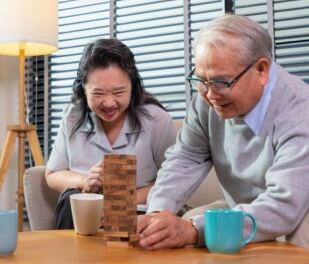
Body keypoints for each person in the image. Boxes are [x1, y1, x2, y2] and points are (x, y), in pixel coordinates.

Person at [137, 14, 309, 250]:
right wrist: (157, 214)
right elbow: (185, 159)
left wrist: (193, 230)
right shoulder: (208, 97)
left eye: (221, 82)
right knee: (176, 234)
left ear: (261, 69)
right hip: (242, 207)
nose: (209, 94)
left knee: (298, 239)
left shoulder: (300, 110)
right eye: (202, 80)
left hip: (299, 210)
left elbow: (284, 206)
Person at [45, 38, 177, 229]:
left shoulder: (157, 120)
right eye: (98, 93)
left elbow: (173, 181)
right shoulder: (72, 116)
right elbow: (53, 174)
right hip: (85, 213)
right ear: (83, 88)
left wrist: (123, 200)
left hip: (140, 211)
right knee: (69, 200)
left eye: (118, 92)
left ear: (133, 86)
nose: (109, 103)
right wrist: (84, 181)